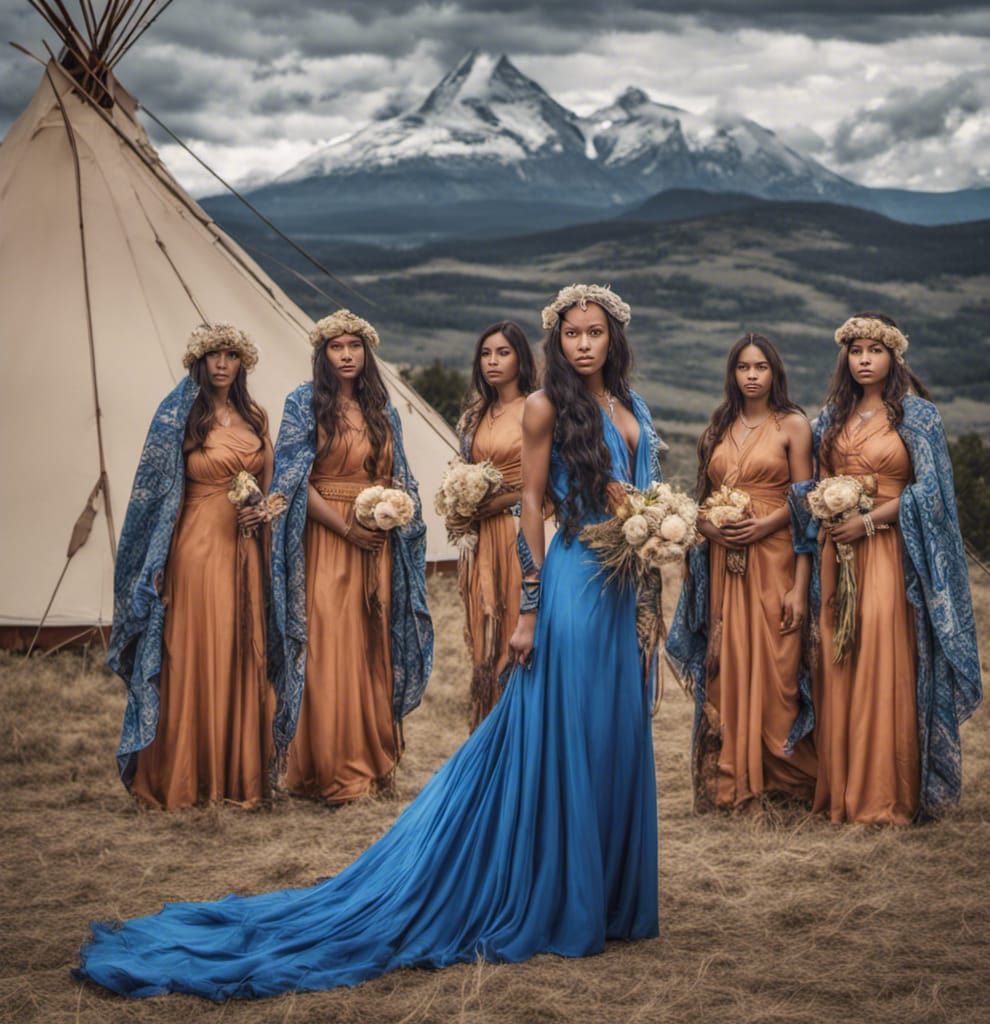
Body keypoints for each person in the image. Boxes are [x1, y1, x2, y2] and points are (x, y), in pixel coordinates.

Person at [75, 284, 664, 1000]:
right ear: (557, 340)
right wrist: (530, 607)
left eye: (594, 332)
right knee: (559, 731)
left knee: (614, 730)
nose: (582, 344)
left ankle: (611, 896)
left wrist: (655, 543)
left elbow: (642, 492)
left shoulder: (634, 410)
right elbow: (534, 505)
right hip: (569, 585)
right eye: (570, 332)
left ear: (614, 338)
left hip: (618, 586)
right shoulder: (547, 408)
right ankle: (557, 895)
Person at [791, 312, 982, 824]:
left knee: (881, 655)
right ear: (845, 358)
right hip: (837, 553)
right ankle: (842, 793)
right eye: (856, 351)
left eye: (875, 350)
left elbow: (931, 492)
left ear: (893, 356)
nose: (865, 360)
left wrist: (869, 522)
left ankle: (884, 796)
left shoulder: (917, 417)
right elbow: (807, 480)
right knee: (837, 661)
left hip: (890, 552)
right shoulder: (831, 417)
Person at [107, 323, 277, 810]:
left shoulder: (255, 416)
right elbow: (156, 494)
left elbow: (267, 481)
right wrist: (154, 560)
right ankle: (184, 778)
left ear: (242, 363)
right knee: (195, 651)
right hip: (195, 548)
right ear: (198, 363)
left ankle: (236, 777)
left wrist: (260, 509)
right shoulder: (179, 416)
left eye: (231, 355)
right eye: (213, 355)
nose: (222, 364)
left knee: (239, 649)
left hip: (244, 548)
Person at [270, 310, 433, 804]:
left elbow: (400, 476)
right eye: (336, 347)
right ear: (323, 354)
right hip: (325, 539)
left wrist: (394, 513)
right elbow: (294, 479)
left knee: (370, 646)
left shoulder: (384, 411)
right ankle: (328, 769)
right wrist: (345, 527)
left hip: (375, 543)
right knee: (327, 646)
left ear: (367, 353)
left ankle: (369, 763)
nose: (346, 355)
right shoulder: (303, 404)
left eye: (355, 347)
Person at [667, 333, 816, 811]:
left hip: (775, 558)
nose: (752, 375)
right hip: (724, 566)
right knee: (726, 664)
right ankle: (732, 780)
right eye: (743, 367)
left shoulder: (793, 425)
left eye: (761, 367)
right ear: (732, 374)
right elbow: (703, 500)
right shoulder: (719, 427)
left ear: (775, 373)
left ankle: (787, 780)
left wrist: (767, 528)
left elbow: (806, 502)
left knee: (779, 666)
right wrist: (710, 526)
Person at [454, 320, 537, 726]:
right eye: (486, 354)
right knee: (483, 635)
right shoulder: (475, 414)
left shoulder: (536, 408)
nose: (493, 361)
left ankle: (516, 726)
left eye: (503, 353)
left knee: (512, 630)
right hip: (480, 538)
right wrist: (462, 501)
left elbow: (546, 487)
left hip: (519, 531)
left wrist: (496, 502)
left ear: (521, 358)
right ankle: (485, 727)